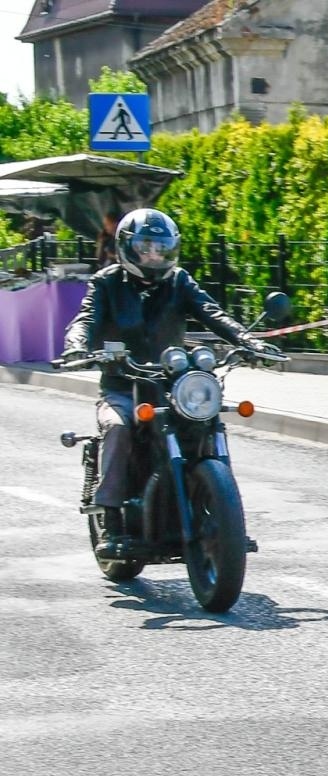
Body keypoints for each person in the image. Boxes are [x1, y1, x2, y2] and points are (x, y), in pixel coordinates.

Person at [61, 209, 274, 555]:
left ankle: (226, 520)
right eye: (147, 247)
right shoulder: (107, 283)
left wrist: (249, 342)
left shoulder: (179, 282)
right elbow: (85, 318)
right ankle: (112, 521)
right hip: (123, 386)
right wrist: (76, 346)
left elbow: (212, 312)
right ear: (128, 248)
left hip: (174, 386)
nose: (155, 255)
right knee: (118, 427)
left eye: (162, 248)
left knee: (209, 423)